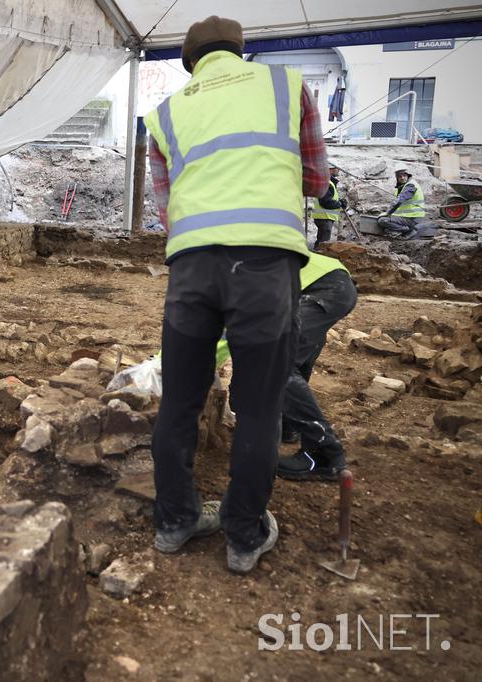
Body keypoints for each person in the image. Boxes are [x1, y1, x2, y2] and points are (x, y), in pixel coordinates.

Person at [145, 15, 328, 574]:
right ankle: (244, 533)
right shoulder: (285, 86)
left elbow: (163, 208)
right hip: (265, 263)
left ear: (190, 62)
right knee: (258, 405)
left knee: (178, 400)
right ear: (241, 51)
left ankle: (174, 522)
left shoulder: (165, 112)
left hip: (192, 265)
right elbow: (316, 180)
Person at [276, 253, 357, 480]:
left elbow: (225, 334)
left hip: (323, 288)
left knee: (276, 360)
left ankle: (323, 454)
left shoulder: (221, 274)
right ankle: (289, 425)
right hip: (328, 281)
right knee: (293, 357)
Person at [378, 168, 425, 238]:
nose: (402, 178)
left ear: (407, 176)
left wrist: (388, 213)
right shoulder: (404, 186)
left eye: (404, 175)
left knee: (382, 220)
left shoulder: (411, 186)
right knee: (387, 223)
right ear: (397, 178)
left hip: (413, 218)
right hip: (410, 216)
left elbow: (399, 201)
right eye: (400, 176)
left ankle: (406, 230)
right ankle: (403, 229)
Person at [310, 164, 347, 250]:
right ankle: (318, 259)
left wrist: (339, 202)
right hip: (325, 218)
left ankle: (317, 256)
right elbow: (325, 202)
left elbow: (328, 199)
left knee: (321, 242)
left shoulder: (328, 182)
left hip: (324, 218)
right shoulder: (326, 183)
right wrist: (339, 204)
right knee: (323, 244)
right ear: (330, 170)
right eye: (336, 168)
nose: (338, 170)